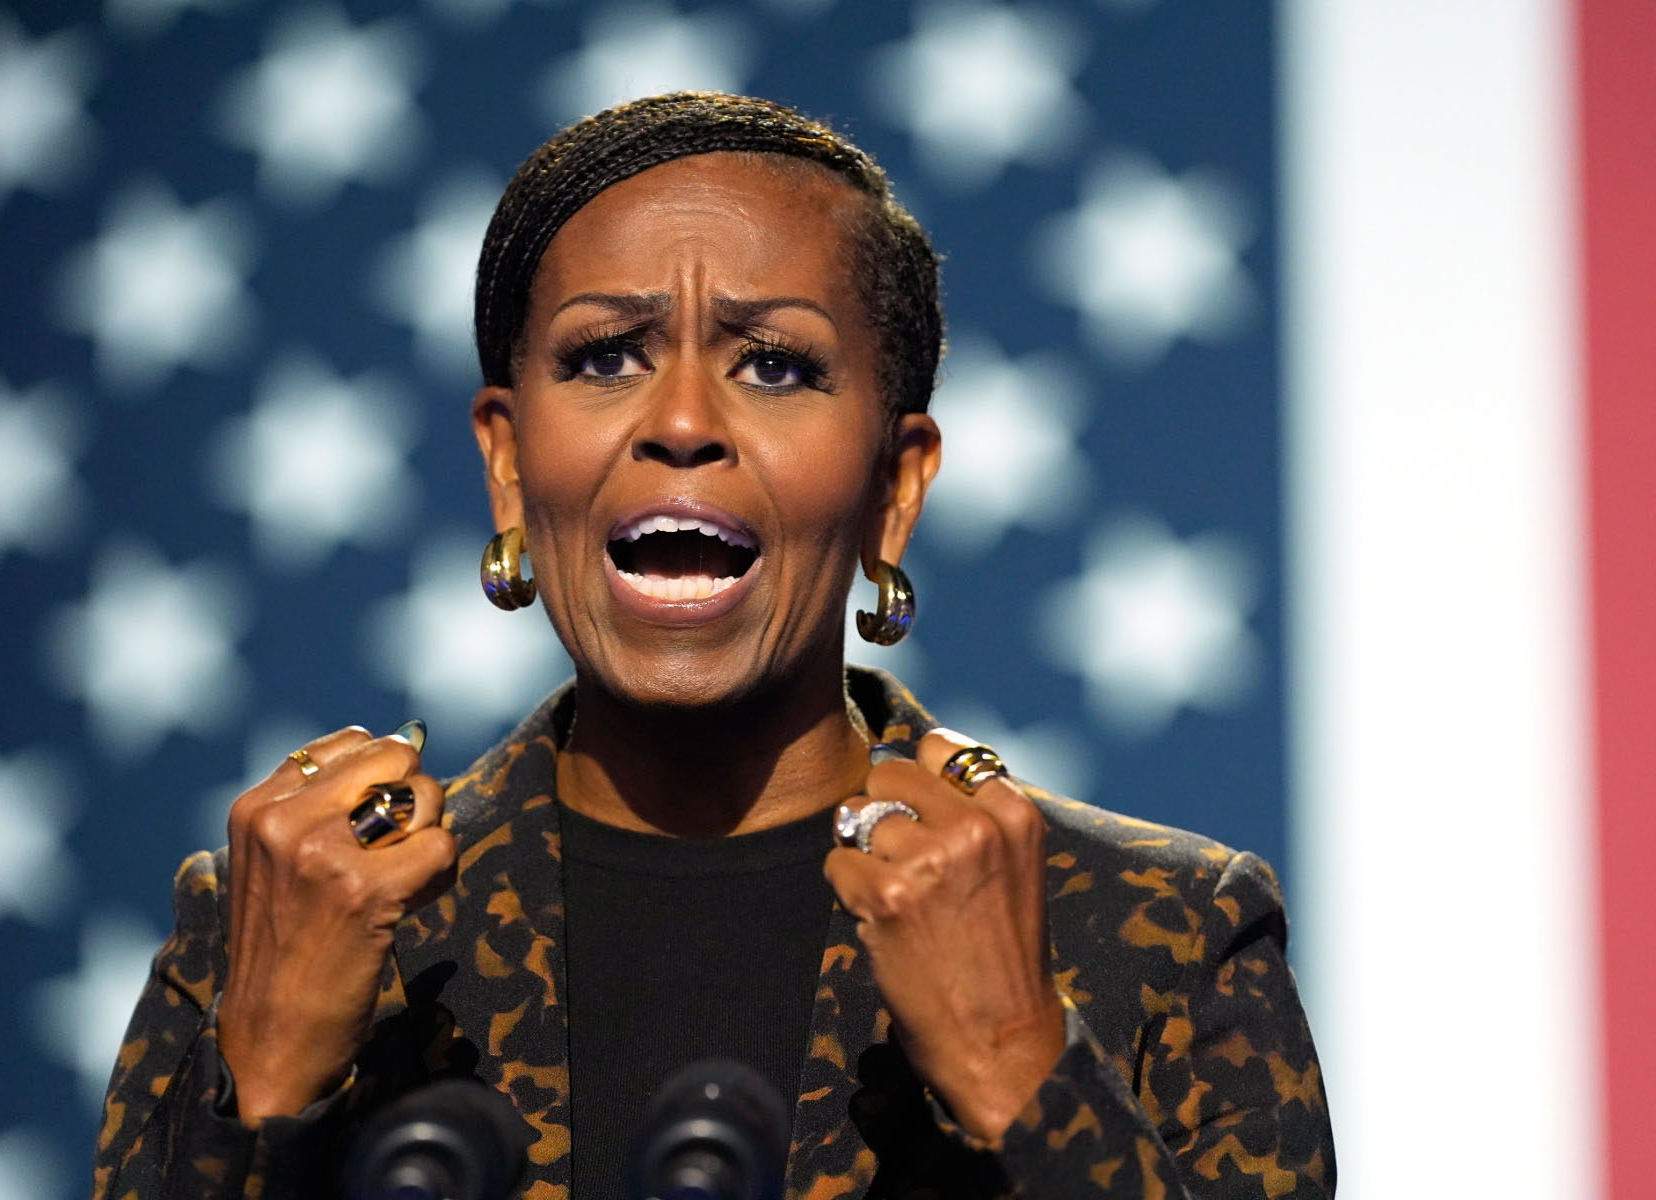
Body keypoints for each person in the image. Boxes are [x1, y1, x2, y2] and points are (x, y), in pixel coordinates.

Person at [91, 92, 1335, 1199]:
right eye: (605, 357)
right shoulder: (279, 925)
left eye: (778, 366)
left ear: (896, 488)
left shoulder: (1156, 934)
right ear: (509, 467)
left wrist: (1022, 1067)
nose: (682, 421)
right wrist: (263, 1083)